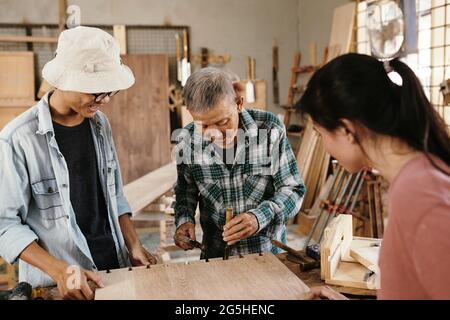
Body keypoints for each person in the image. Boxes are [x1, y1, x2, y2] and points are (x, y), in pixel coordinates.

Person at [0, 26, 156, 300]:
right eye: (97, 92)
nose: (105, 100)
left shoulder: (100, 125)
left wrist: (133, 244)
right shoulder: (17, 140)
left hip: (113, 270)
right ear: (65, 80)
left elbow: (114, 194)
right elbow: (5, 225)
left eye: (111, 92)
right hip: (56, 286)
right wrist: (61, 271)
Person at [298, 53, 450, 300]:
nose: (324, 147)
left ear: (347, 130)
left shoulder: (421, 194)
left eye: (319, 133)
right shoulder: (416, 178)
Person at [173, 67, 306, 258]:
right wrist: (184, 221)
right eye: (203, 125)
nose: (214, 134)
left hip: (268, 256)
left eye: (222, 122)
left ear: (238, 103)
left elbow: (293, 190)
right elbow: (185, 192)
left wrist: (259, 216)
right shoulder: (187, 139)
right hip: (217, 258)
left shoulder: (269, 129)